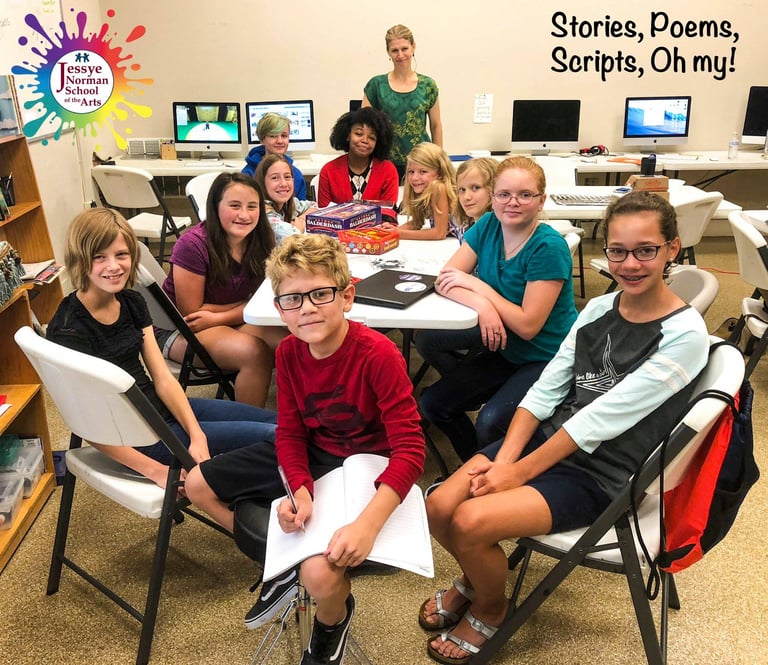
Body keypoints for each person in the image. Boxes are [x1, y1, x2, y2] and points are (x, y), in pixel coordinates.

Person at [419, 191, 710, 664]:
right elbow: (546, 390)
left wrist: (513, 474)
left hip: (603, 472)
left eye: (646, 250)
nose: (629, 263)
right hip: (549, 441)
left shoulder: (684, 335)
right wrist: (508, 459)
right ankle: (476, 579)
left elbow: (602, 418)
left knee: (470, 522)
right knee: (438, 504)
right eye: (618, 250)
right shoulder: (599, 309)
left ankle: (491, 607)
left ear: (672, 248)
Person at [185, 234, 425, 661]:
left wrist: (367, 526)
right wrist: (299, 489)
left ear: (346, 296)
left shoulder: (379, 355)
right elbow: (291, 433)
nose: (307, 308)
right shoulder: (290, 353)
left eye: (320, 294)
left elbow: (410, 450)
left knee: (320, 576)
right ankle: (280, 567)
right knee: (199, 483)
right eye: (292, 299)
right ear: (279, 310)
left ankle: (330, 624)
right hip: (315, 455)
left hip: (366, 466)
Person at [46, 207, 277, 491]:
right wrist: (156, 471)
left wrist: (197, 435)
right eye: (99, 257)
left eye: (121, 255)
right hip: (136, 437)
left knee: (280, 423)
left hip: (159, 410)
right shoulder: (69, 327)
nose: (114, 266)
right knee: (275, 437)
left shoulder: (131, 302)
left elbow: (164, 379)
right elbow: (85, 422)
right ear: (80, 260)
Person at [416, 157, 577, 462]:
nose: (512, 202)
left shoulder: (548, 247)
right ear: (493, 198)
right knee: (433, 403)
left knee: (490, 422)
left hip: (547, 356)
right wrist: (483, 307)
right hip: (506, 347)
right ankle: (477, 468)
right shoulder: (489, 224)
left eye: (525, 195)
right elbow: (447, 279)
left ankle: (495, 477)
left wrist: (482, 290)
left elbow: (529, 325)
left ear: (541, 201)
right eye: (503, 194)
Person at [159, 172, 284, 408]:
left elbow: (264, 298)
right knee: (253, 353)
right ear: (215, 207)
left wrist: (220, 314)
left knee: (293, 343)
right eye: (234, 206)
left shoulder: (262, 237)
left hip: (224, 320)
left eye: (252, 206)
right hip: (179, 330)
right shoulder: (192, 245)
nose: (244, 215)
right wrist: (245, 305)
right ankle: (251, 433)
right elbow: (192, 315)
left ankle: (300, 421)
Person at [362, 24, 442, 179]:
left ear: (413, 48)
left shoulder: (428, 85)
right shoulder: (376, 85)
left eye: (404, 49)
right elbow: (365, 126)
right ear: (388, 52)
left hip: (422, 163)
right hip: (385, 163)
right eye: (394, 50)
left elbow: (436, 125)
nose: (400, 55)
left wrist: (439, 161)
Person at [318, 106, 399, 221]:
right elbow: (323, 214)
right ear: (347, 135)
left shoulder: (388, 170)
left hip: (375, 234)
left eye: (372, 137)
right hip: (337, 236)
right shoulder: (329, 170)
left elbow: (388, 214)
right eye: (359, 134)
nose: (365, 140)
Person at [379, 142, 457, 241]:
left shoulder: (438, 187)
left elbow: (439, 233)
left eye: (423, 172)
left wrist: (398, 233)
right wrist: (390, 231)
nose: (415, 178)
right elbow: (416, 223)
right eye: (411, 172)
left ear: (440, 173)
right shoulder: (425, 190)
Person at [242, 111, 307, 199]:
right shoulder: (248, 174)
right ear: (262, 139)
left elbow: (302, 207)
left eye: (284, 136)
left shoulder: (296, 175)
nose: (280, 141)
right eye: (273, 136)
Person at [254, 154, 318, 243]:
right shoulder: (264, 213)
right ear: (262, 183)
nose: (283, 184)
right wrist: (298, 227)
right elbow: (292, 235)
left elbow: (314, 206)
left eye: (287, 177)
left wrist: (301, 220)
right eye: (275, 178)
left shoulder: (288, 204)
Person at [451, 157, 497, 244]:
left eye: (475, 188)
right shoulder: (467, 226)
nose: (466, 197)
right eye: (462, 190)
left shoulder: (497, 231)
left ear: (494, 189)